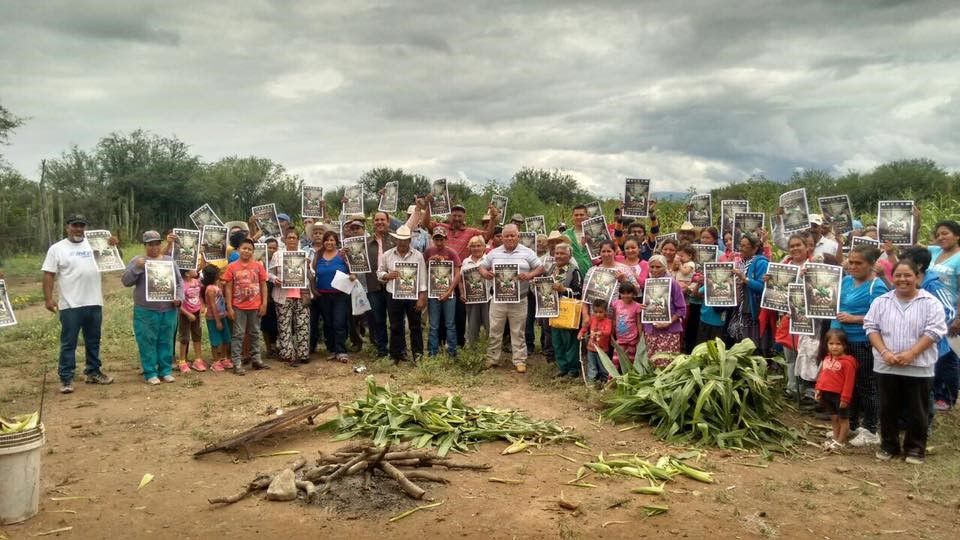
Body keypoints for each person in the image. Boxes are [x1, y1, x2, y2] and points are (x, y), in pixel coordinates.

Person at [865, 260, 947, 464]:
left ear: (917, 277)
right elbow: (871, 327)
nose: (902, 279)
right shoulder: (881, 301)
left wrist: (911, 353)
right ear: (892, 277)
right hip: (886, 364)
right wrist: (884, 352)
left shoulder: (930, 302)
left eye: (907, 275)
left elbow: (935, 331)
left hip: (918, 366)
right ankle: (889, 446)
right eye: (898, 275)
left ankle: (915, 449)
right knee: (887, 408)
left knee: (917, 410)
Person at [42, 214, 115, 394]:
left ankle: (93, 372)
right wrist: (48, 299)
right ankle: (66, 378)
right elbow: (48, 274)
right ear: (67, 227)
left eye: (82, 225)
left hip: (94, 301)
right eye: (75, 225)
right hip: (70, 304)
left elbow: (112, 260)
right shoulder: (57, 249)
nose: (79, 229)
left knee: (93, 340)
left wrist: (112, 245)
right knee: (69, 342)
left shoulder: (94, 244)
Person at [832, 244, 888, 447]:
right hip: (842, 343)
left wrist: (854, 318)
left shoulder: (877, 286)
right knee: (848, 387)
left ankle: (871, 429)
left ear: (872, 264)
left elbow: (882, 317)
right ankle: (852, 424)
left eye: (858, 263)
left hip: (863, 342)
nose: (853, 266)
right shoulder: (846, 281)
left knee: (866, 386)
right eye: (851, 262)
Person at [121, 230, 185, 385]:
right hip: (145, 310)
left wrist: (179, 298)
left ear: (161, 244)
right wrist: (137, 268)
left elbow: (178, 283)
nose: (154, 247)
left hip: (168, 309)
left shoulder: (170, 261)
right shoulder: (138, 260)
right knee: (147, 340)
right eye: (150, 244)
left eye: (157, 243)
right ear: (145, 245)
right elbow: (126, 281)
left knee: (166, 339)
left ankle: (166, 370)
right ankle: (150, 372)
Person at [478, 224, 545, 373]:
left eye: (512, 235)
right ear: (502, 237)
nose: (509, 238)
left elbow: (540, 268)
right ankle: (492, 358)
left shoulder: (527, 252)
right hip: (498, 299)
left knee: (518, 331)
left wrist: (529, 275)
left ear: (518, 236)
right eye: (506, 236)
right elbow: (482, 266)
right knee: (495, 329)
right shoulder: (494, 253)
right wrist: (484, 273)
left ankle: (519, 360)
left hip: (519, 299)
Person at [899, 246, 958, 413]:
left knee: (925, 385)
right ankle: (906, 417)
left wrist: (927, 330)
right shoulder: (904, 284)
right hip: (908, 344)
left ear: (918, 266)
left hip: (930, 346)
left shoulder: (933, 286)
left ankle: (925, 420)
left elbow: (949, 311)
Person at [377, 225, 427, 363]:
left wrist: (422, 297)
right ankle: (396, 355)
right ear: (396, 240)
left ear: (410, 240)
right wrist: (387, 275)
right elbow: (379, 273)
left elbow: (422, 277)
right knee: (395, 325)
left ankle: (418, 355)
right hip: (393, 294)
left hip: (412, 296)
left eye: (405, 240)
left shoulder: (418, 256)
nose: (402, 242)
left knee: (415, 325)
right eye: (400, 240)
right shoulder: (387, 255)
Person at [223, 238, 270, 374]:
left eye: (249, 249)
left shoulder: (258, 266)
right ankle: (236, 362)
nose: (246, 251)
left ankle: (256, 359)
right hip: (238, 307)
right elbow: (228, 288)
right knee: (238, 334)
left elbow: (263, 285)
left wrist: (264, 303)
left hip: (255, 306)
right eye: (244, 248)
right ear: (238, 249)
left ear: (253, 251)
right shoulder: (232, 267)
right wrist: (229, 307)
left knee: (255, 333)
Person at [270, 229, 312, 367]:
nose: (292, 240)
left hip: (301, 295)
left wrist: (308, 266)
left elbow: (312, 275)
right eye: (289, 237)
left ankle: (303, 354)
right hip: (283, 295)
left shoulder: (304, 254)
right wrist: (275, 279)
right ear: (285, 239)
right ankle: (286, 354)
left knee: (303, 325)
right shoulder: (278, 254)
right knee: (284, 326)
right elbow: (269, 273)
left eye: (294, 237)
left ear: (298, 239)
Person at [311, 231, 352, 363]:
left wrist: (353, 276)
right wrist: (313, 289)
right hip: (323, 295)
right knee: (328, 323)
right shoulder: (318, 255)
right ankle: (332, 349)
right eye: (327, 240)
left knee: (339, 322)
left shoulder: (342, 255)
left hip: (340, 294)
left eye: (332, 240)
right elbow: (313, 272)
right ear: (323, 242)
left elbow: (353, 270)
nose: (329, 242)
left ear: (336, 242)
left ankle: (341, 350)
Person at [640, 255, 687, 365]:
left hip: (669, 331)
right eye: (652, 267)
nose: (654, 270)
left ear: (665, 267)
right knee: (653, 361)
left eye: (658, 267)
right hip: (651, 330)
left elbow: (681, 309)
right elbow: (649, 304)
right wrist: (644, 307)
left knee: (667, 362)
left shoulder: (672, 284)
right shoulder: (649, 283)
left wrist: (668, 322)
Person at [815, 329, 858, 450]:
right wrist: (818, 389)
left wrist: (845, 398)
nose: (834, 347)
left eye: (838, 344)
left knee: (843, 419)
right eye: (831, 344)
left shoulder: (848, 363)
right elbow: (822, 375)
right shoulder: (827, 359)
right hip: (827, 394)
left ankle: (841, 441)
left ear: (844, 345)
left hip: (840, 396)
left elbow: (849, 382)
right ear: (826, 345)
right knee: (833, 417)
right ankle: (835, 438)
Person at [729, 233, 770, 355]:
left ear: (755, 248)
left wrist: (745, 279)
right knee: (740, 344)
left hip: (752, 310)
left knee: (751, 344)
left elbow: (763, 287)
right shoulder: (742, 262)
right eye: (740, 245)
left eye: (744, 246)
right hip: (740, 308)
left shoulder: (761, 263)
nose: (741, 248)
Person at [426, 227, 462, 357]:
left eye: (441, 239)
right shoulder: (429, 251)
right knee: (434, 325)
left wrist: (449, 291)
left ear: (445, 239)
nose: (439, 241)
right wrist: (429, 261)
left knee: (450, 324)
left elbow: (457, 274)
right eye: (436, 239)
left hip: (449, 294)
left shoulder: (451, 253)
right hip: (433, 293)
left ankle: (452, 352)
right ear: (433, 239)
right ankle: (432, 353)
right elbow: (423, 269)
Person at [549, 243, 583, 378]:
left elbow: (579, 292)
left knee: (569, 340)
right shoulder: (551, 269)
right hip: (553, 309)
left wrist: (563, 290)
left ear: (570, 256)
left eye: (562, 253)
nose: (559, 256)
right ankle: (562, 367)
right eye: (557, 253)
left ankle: (573, 369)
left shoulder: (574, 271)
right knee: (557, 340)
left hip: (568, 311)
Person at [201, 264, 232, 372]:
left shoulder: (217, 286)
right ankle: (215, 361)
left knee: (225, 338)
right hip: (213, 318)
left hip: (222, 316)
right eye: (218, 273)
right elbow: (213, 305)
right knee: (215, 340)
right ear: (214, 276)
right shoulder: (210, 289)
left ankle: (223, 358)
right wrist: (218, 320)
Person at [462, 235, 491, 344]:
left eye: (478, 245)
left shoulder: (489, 259)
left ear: (484, 247)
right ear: (469, 248)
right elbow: (461, 279)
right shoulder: (465, 261)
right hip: (471, 298)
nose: (476, 248)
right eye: (473, 246)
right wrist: (462, 292)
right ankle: (473, 347)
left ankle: (490, 347)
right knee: (472, 324)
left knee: (489, 323)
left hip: (487, 297)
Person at [177, 268, 206, 373]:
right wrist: (187, 314)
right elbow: (178, 305)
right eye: (193, 269)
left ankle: (198, 360)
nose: (196, 271)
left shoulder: (196, 282)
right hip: (185, 314)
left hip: (196, 313)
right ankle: (182, 361)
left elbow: (200, 296)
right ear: (187, 273)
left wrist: (202, 305)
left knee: (197, 336)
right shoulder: (181, 286)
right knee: (184, 338)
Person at [579, 299, 612, 384]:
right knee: (591, 365)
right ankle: (591, 379)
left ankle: (604, 378)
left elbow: (608, 332)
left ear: (605, 311)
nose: (598, 314)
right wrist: (581, 333)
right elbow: (585, 327)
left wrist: (602, 332)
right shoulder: (592, 319)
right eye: (595, 312)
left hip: (602, 349)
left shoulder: (608, 321)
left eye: (600, 312)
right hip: (591, 348)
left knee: (603, 365)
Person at [611, 282, 643, 369]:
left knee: (631, 360)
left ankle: (630, 377)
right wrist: (611, 334)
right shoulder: (616, 304)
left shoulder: (636, 306)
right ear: (620, 293)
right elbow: (614, 320)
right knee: (616, 360)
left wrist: (640, 337)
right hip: (620, 339)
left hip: (632, 339)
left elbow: (638, 323)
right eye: (623, 293)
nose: (626, 296)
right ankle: (611, 378)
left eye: (628, 293)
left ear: (633, 293)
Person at [260, 238, 280, 358]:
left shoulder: (280, 259)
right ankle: (268, 348)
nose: (272, 250)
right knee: (265, 323)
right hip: (264, 296)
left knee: (276, 322)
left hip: (277, 294)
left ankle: (274, 345)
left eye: (274, 248)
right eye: (270, 247)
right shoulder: (259, 261)